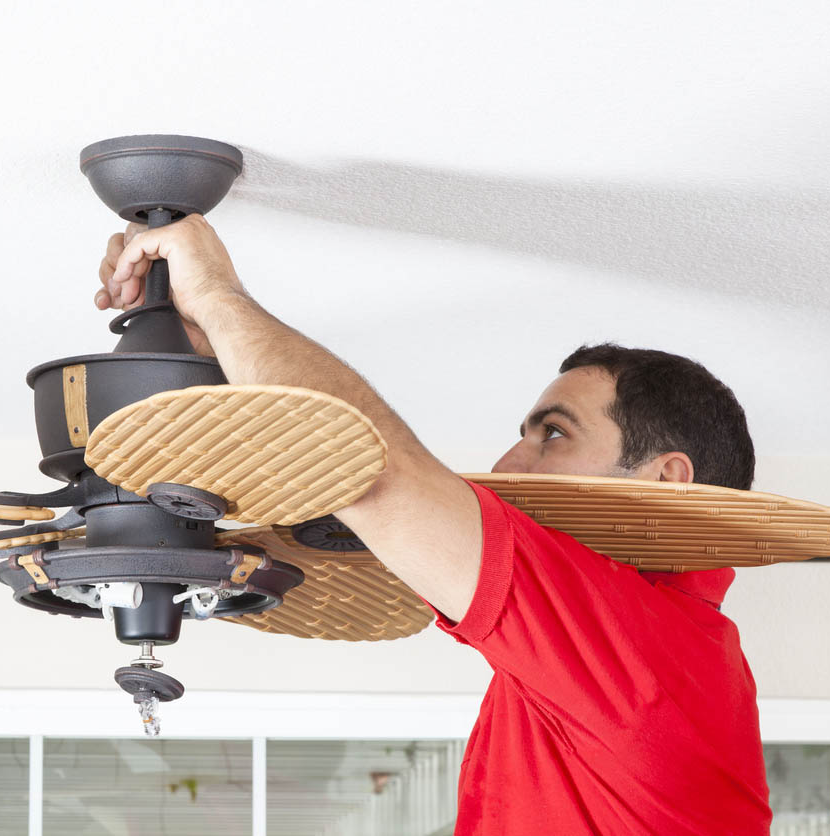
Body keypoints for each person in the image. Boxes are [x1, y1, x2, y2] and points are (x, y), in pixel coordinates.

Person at [96, 215, 774, 835]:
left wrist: (218, 298)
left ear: (665, 478)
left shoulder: (645, 649)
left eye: (554, 435)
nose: (508, 463)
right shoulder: (642, 657)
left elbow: (366, 472)